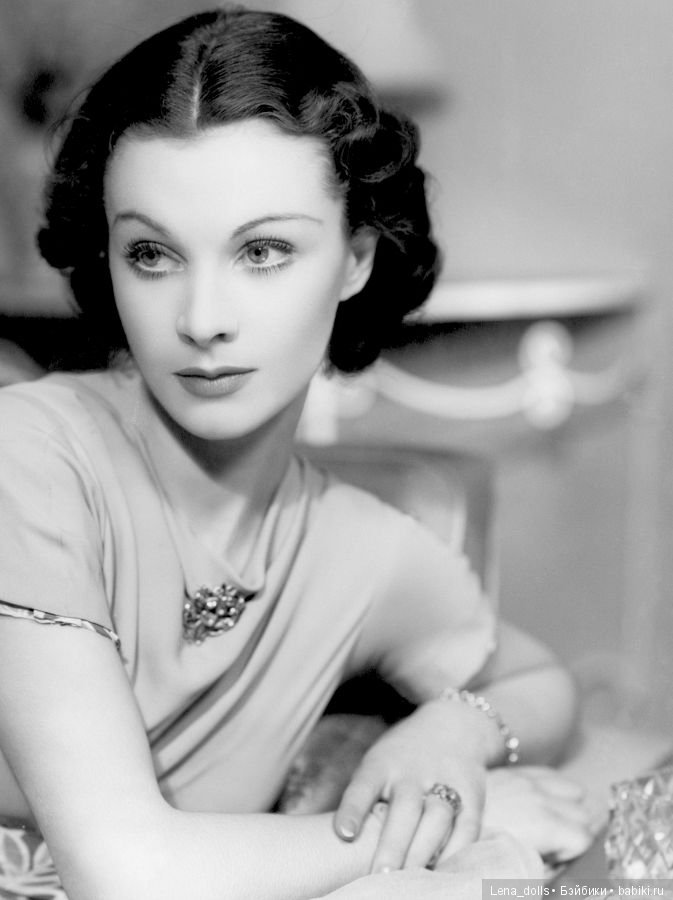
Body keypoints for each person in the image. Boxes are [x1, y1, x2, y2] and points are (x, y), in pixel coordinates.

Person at [0, 6, 593, 899]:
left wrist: (452, 733)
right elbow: (124, 875)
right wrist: (428, 834)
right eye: (152, 253)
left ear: (355, 259)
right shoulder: (31, 458)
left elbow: (541, 683)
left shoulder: (360, 551)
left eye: (264, 250)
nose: (202, 318)